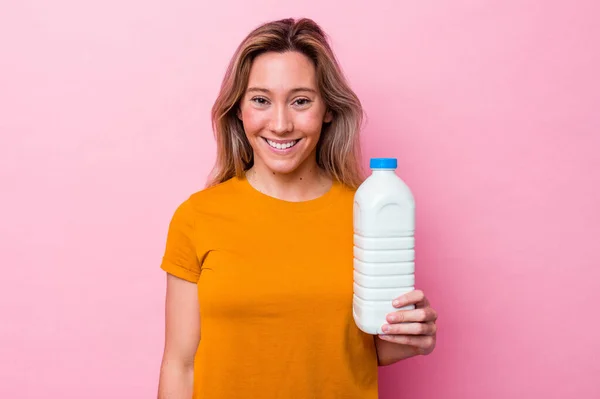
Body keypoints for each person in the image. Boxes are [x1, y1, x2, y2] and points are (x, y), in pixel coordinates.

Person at [157, 17, 438, 399]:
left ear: (328, 109)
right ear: (238, 110)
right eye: (260, 100)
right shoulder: (197, 217)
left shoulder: (367, 212)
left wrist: (413, 335)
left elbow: (364, 349)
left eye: (300, 101)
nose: (280, 123)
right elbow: (180, 364)